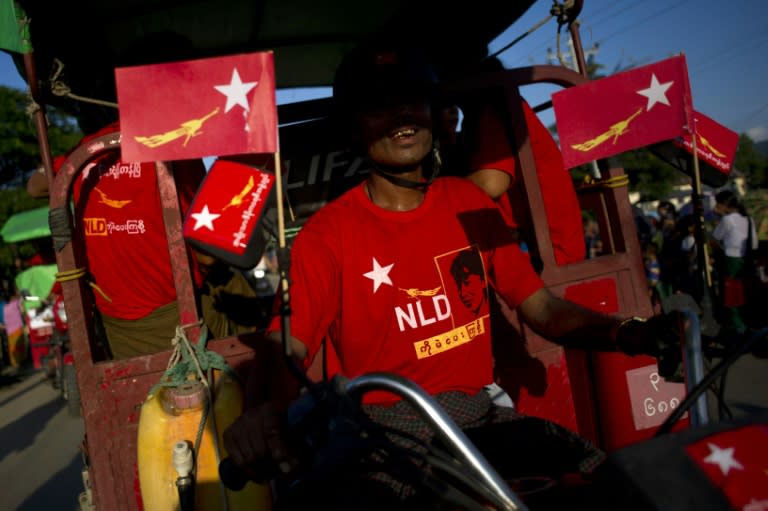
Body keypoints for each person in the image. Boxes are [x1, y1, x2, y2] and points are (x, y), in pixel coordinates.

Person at [222, 40, 680, 509]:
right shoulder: (326, 235)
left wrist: (627, 333)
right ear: (355, 126)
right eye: (381, 105)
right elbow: (288, 344)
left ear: (433, 110)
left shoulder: (471, 203)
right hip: (385, 431)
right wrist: (261, 412)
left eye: (413, 99)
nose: (403, 115)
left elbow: (540, 307)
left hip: (480, 416)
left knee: (601, 481)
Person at [27, 121, 207, 359]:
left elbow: (34, 187)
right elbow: (205, 243)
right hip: (179, 308)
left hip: (117, 321)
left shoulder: (85, 150)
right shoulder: (176, 140)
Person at [711, 190, 758, 335]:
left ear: (724, 205)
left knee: (732, 294)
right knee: (744, 292)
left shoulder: (727, 220)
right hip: (747, 259)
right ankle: (748, 323)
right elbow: (755, 243)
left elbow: (715, 236)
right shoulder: (748, 219)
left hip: (731, 259)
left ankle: (739, 326)